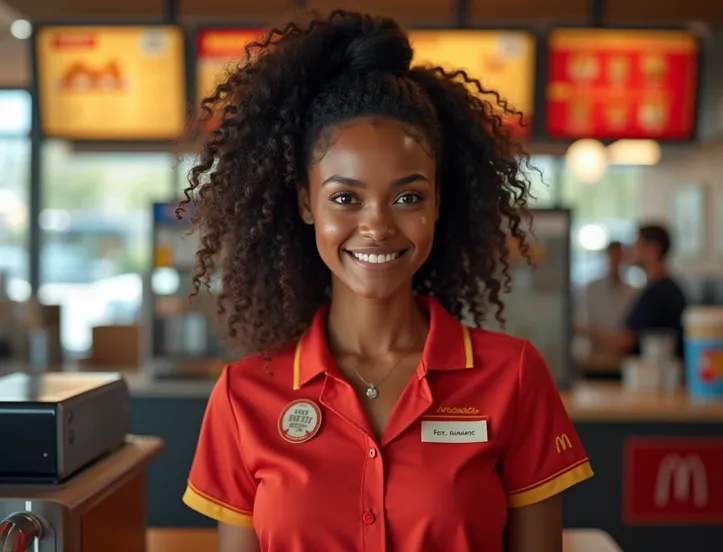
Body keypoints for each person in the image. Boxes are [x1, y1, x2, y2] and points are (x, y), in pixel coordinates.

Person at [180, 10, 593, 552]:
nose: (376, 225)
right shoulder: (242, 396)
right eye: (345, 198)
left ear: (439, 203)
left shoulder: (513, 378)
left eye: (407, 197)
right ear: (307, 204)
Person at [579, 224, 687, 357]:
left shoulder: (660, 293)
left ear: (653, 250)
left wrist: (583, 330)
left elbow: (625, 341)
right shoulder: (654, 289)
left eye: (636, 245)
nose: (630, 250)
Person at [575, 241, 638, 355]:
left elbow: (631, 333)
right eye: (612, 256)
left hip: (622, 354)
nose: (615, 261)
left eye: (618, 256)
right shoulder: (591, 289)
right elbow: (581, 325)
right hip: (595, 355)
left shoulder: (633, 292)